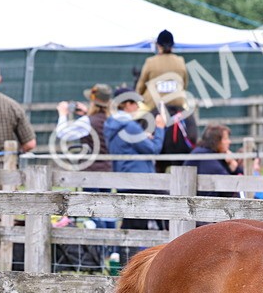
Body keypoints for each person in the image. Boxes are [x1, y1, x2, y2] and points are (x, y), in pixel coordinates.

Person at [56, 83, 116, 226]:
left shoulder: (88, 121)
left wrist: (62, 114)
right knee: (107, 209)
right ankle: (109, 246)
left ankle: (98, 245)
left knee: (93, 210)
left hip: (91, 172)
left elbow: (63, 133)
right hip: (108, 170)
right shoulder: (112, 119)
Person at [105, 93, 166, 230]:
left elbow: (124, 145)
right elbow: (153, 149)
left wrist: (142, 137)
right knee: (141, 225)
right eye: (135, 103)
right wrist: (160, 128)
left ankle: (121, 251)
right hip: (140, 180)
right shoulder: (130, 126)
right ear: (127, 104)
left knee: (129, 223)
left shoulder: (110, 124)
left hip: (123, 178)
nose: (138, 107)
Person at [136, 30, 193, 173]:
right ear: (172, 45)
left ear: (158, 45)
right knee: (191, 116)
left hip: (155, 104)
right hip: (178, 104)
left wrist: (139, 94)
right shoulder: (180, 61)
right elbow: (185, 83)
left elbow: (141, 85)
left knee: (137, 118)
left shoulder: (150, 62)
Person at [184, 124, 243, 200]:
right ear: (216, 141)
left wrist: (234, 167)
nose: (229, 142)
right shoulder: (206, 158)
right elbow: (230, 190)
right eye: (225, 139)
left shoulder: (209, 154)